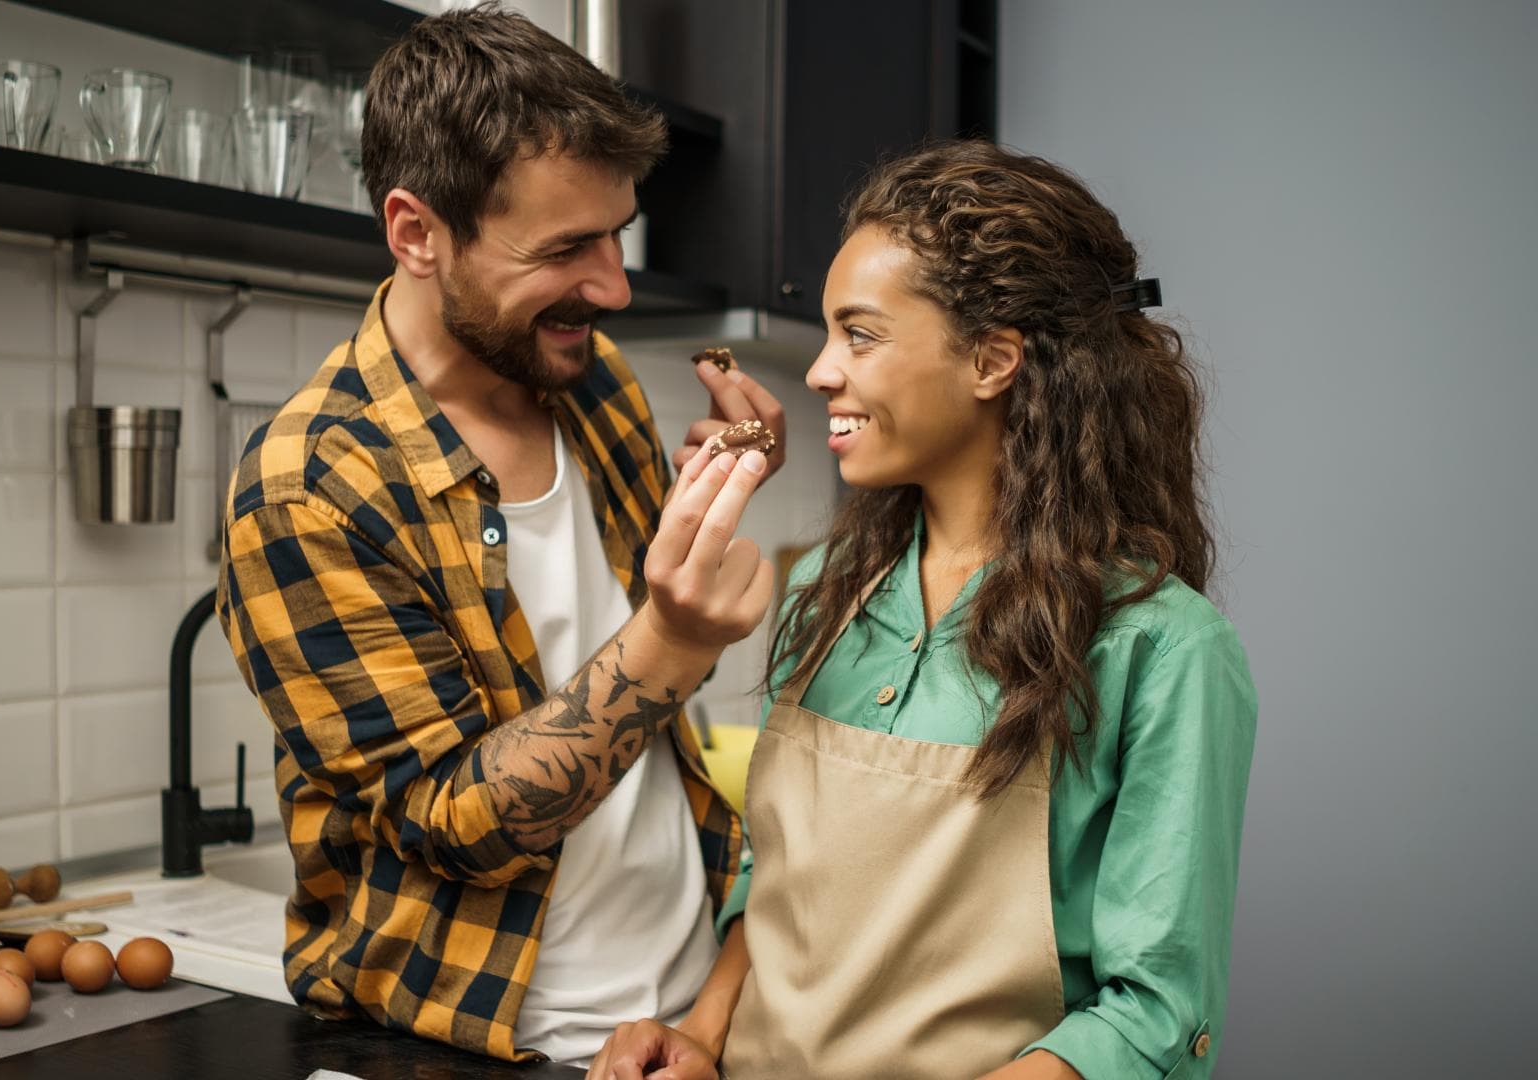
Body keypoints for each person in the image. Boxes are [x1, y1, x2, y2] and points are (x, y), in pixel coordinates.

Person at [589, 141, 1259, 1080]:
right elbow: (774, 879)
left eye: (859, 336)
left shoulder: (1164, 648)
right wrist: (700, 1033)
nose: (821, 373)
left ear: (992, 360)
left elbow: (1155, 1012)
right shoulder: (825, 590)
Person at [215, 3, 789, 1065]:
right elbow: (454, 822)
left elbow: (616, 701)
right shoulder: (309, 490)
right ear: (417, 232)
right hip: (489, 1039)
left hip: (686, 1013)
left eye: (616, 235)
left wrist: (712, 499)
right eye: (568, 248)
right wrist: (676, 638)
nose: (612, 287)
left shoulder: (587, 377)